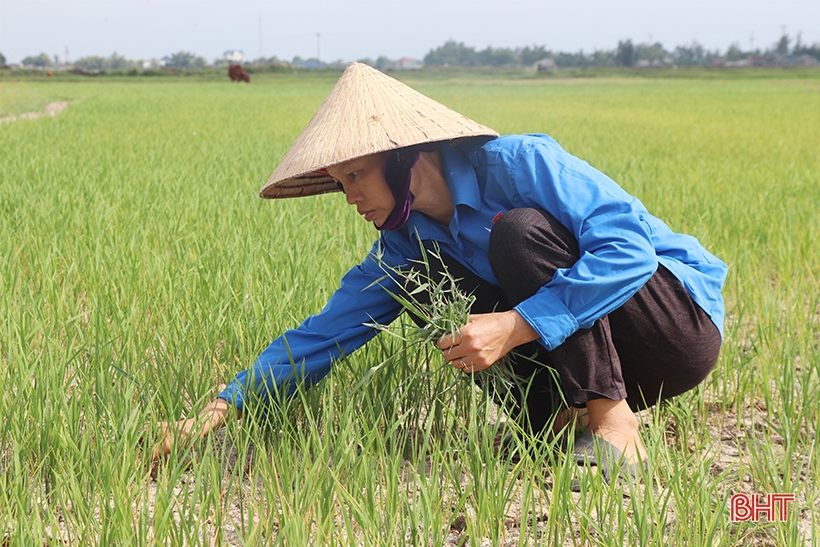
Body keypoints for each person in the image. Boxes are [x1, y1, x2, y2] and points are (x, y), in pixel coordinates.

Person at [154, 63, 727, 481]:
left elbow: (629, 251)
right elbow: (326, 333)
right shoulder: (407, 245)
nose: (349, 196)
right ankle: (554, 424)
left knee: (518, 232)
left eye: (355, 175)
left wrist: (516, 324)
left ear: (405, 156)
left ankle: (612, 423)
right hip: (593, 352)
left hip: (673, 328)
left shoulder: (519, 163)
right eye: (339, 182)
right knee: (424, 283)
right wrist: (219, 410)